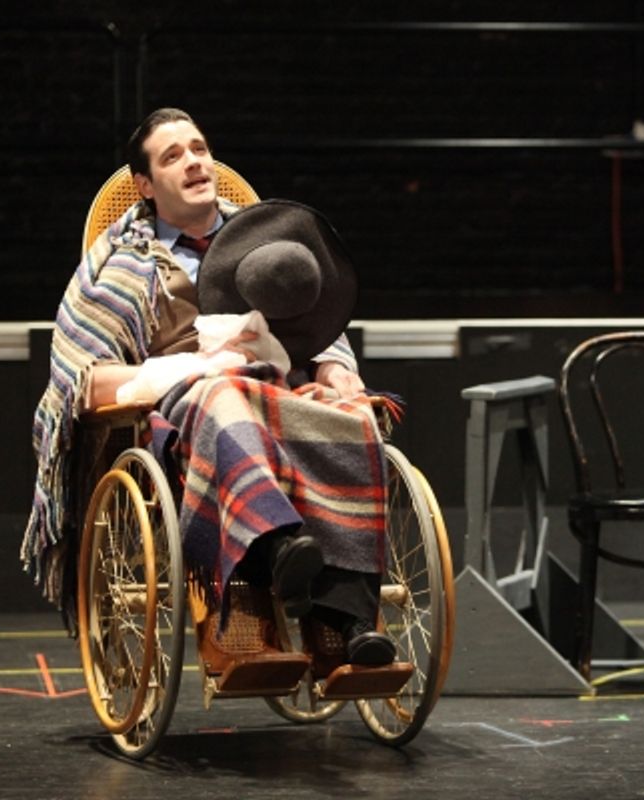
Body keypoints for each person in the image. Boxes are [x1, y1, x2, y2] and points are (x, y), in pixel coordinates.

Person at [22, 107, 394, 666]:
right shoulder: (120, 267)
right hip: (183, 412)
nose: (194, 161)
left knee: (352, 415)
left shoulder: (268, 242)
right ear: (144, 186)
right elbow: (86, 381)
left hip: (279, 392)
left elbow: (320, 329)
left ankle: (346, 620)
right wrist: (194, 368)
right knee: (224, 399)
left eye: (199, 148)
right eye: (173, 156)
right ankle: (273, 548)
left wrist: (336, 373)